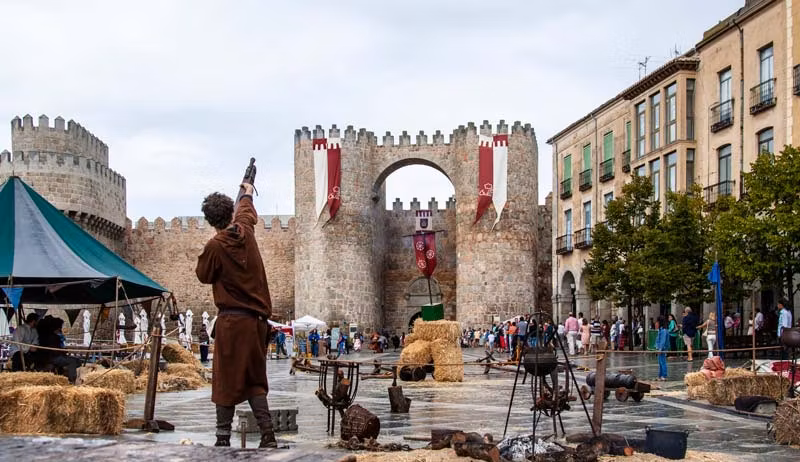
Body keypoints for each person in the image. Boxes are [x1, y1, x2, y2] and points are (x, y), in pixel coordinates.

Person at [195, 183, 277, 448]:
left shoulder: (215, 246)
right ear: (230, 212)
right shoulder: (247, 232)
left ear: (209, 220)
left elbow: (203, 275)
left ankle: (222, 439)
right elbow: (246, 209)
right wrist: (248, 190)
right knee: (255, 380)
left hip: (232, 323)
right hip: (257, 323)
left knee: (225, 381)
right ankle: (268, 436)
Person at [35, 316, 81, 384]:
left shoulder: (45, 336)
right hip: (51, 358)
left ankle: (65, 374)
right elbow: (54, 351)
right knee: (73, 361)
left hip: (48, 357)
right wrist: (63, 351)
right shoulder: (53, 337)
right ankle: (71, 380)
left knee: (73, 360)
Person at [655, 316, 669, 381]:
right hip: (660, 348)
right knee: (660, 362)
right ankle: (660, 375)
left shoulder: (663, 331)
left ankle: (664, 375)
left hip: (662, 348)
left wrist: (660, 348)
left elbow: (663, 340)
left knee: (662, 362)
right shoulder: (660, 330)